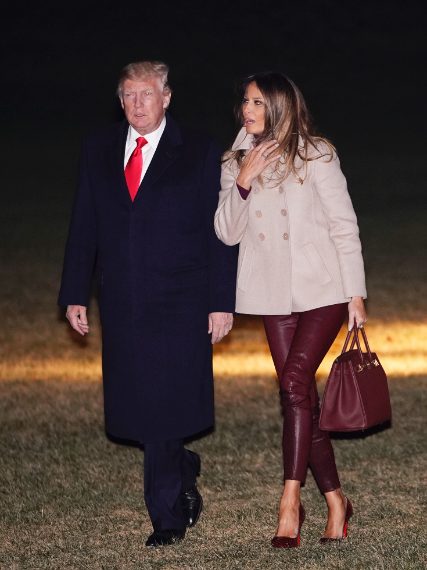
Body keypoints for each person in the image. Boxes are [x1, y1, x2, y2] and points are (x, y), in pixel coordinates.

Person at [58, 61, 236, 547]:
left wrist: (221, 301)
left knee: (164, 402)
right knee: (139, 405)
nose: (137, 104)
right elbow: (85, 223)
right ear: (120, 101)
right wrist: (74, 292)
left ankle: (167, 515)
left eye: (147, 94)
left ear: (167, 98)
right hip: (123, 299)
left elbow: (219, 233)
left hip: (181, 299)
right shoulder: (98, 148)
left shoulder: (198, 150)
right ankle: (183, 463)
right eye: (129, 96)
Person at [214, 71, 367, 547]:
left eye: (257, 102)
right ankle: (337, 500)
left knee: (295, 382)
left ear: (280, 106)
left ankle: (289, 501)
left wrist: (355, 293)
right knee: (299, 396)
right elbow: (225, 233)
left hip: (324, 290)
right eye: (245, 101)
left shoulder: (317, 154)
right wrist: (243, 181)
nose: (247, 110)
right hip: (271, 294)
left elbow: (344, 225)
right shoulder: (235, 161)